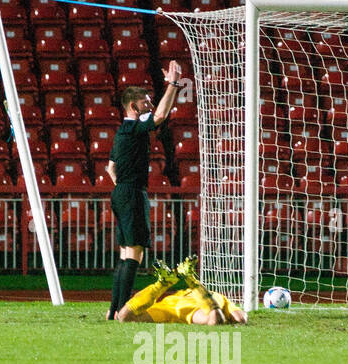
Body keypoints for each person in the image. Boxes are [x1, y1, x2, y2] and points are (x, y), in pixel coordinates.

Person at [105, 59, 186, 320]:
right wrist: (173, 84)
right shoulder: (133, 128)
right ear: (133, 106)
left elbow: (110, 168)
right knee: (135, 254)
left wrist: (123, 185)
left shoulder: (122, 132)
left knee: (125, 253)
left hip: (121, 193)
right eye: (145, 102)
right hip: (131, 193)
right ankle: (122, 312)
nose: (149, 105)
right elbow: (160, 116)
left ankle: (113, 310)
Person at [116, 256, 248, 325]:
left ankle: (164, 283)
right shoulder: (219, 297)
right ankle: (188, 280)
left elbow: (225, 319)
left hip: (178, 308)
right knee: (123, 317)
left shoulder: (220, 299)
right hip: (178, 306)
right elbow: (240, 318)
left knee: (123, 317)